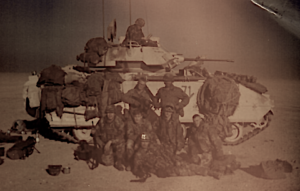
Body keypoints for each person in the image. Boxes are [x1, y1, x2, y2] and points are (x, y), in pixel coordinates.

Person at [132, 133, 208, 180]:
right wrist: (141, 173)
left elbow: (165, 153)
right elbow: (135, 168)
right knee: (182, 171)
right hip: (161, 169)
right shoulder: (139, 154)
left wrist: (174, 160)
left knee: (185, 164)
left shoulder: (154, 147)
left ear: (149, 142)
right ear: (140, 142)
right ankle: (205, 172)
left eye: (146, 141)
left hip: (167, 162)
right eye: (142, 142)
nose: (144, 144)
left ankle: (208, 170)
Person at [93, 105, 126, 171]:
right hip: (105, 143)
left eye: (112, 113)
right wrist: (99, 142)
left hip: (115, 142)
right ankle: (111, 156)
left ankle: (118, 161)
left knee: (121, 144)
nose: (110, 115)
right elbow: (96, 132)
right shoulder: (102, 120)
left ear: (114, 113)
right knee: (107, 163)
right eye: (108, 113)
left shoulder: (118, 120)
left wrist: (110, 142)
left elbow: (122, 134)